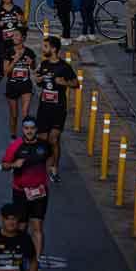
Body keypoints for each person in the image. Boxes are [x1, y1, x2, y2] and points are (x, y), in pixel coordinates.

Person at [1, 118, 51, 260]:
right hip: (21, 192)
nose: (29, 131)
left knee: (37, 227)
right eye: (26, 128)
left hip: (40, 192)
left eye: (32, 128)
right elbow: (3, 165)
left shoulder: (44, 145)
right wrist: (13, 165)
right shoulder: (16, 146)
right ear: (22, 130)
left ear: (36, 130)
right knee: (20, 228)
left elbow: (51, 157)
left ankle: (36, 262)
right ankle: (18, 259)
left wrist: (52, 168)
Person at [34, 36, 78, 181]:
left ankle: (54, 169)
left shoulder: (64, 67)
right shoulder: (44, 64)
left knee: (53, 139)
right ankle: (41, 164)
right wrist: (38, 80)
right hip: (44, 108)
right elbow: (38, 81)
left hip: (58, 109)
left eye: (45, 46)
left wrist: (64, 82)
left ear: (53, 49)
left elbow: (76, 83)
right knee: (42, 138)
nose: (43, 48)